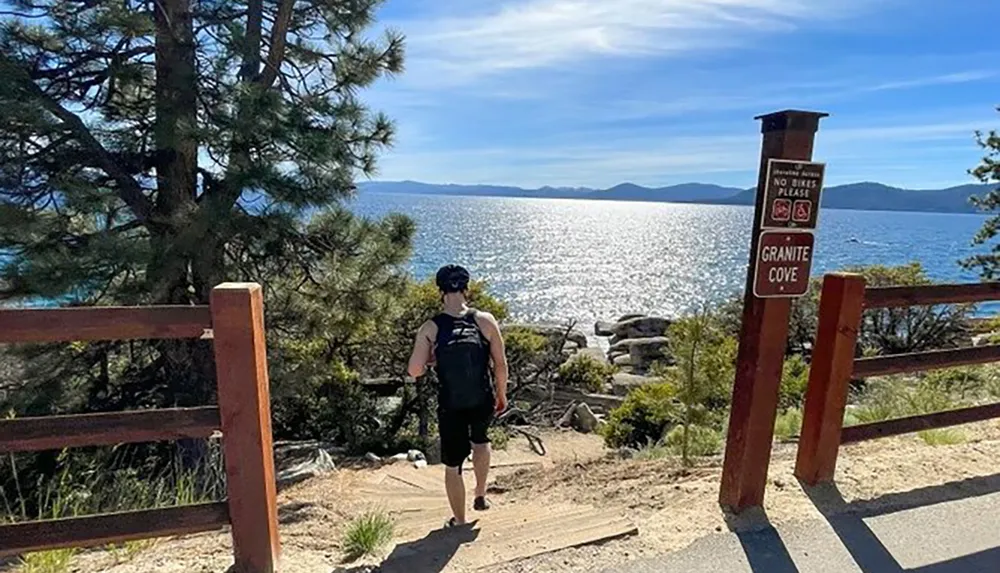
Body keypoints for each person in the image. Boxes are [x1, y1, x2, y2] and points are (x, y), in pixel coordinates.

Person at [407, 264, 509, 527]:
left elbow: (414, 370)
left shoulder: (430, 328)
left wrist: (431, 358)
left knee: (453, 464)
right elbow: (500, 363)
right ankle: (481, 494)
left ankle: (460, 520)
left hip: (450, 403)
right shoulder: (485, 320)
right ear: (467, 289)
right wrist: (502, 394)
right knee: (480, 440)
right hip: (482, 397)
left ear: (440, 291)